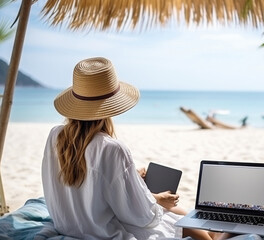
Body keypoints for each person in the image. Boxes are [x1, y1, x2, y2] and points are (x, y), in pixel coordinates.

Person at [41, 57, 230, 240]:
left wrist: (131, 176)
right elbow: (141, 216)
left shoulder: (55, 136)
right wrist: (157, 199)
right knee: (194, 227)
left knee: (183, 215)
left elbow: (90, 185)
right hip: (107, 232)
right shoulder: (112, 149)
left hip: (72, 226)